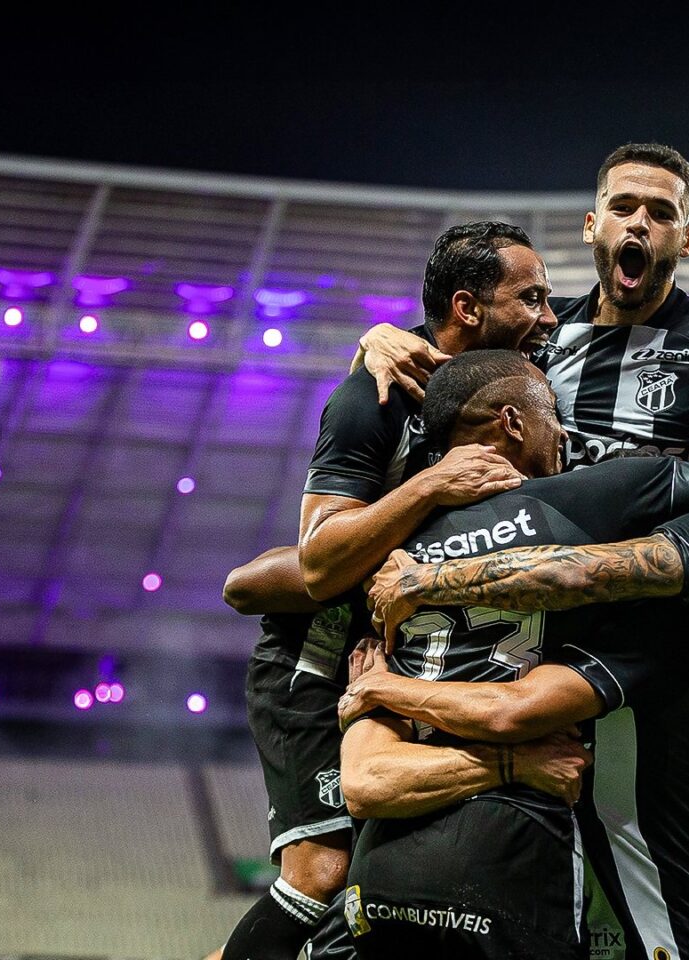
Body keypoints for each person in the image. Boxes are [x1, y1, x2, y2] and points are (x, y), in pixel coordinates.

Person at [338, 352, 689, 958]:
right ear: (515, 423)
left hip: (379, 876)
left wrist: (386, 669)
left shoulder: (384, 551)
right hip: (516, 853)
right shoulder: (600, 500)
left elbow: (359, 775)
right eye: (554, 415)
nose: (566, 433)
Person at [215, 220, 555, 960]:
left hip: (408, 665)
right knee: (322, 872)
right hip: (320, 661)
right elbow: (314, 564)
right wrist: (433, 482)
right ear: (468, 308)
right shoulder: (373, 396)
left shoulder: (520, 380)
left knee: (377, 881)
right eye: (531, 299)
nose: (549, 317)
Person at [356, 142, 689, 466]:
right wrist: (378, 339)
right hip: (526, 546)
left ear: (687, 241)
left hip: (651, 569)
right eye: (622, 207)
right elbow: (439, 352)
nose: (639, 223)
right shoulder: (534, 324)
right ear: (591, 227)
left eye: (662, 214)